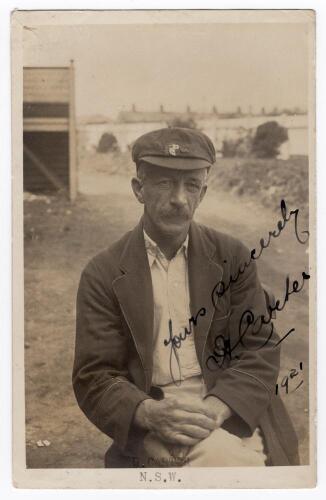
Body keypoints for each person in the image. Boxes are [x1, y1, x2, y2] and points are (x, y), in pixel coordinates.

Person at [72, 127, 299, 467]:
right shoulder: (102, 273)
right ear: (139, 189)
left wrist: (214, 410)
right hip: (151, 411)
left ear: (203, 193)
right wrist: (148, 413)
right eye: (164, 183)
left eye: (190, 185)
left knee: (223, 460)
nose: (179, 198)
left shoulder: (232, 257)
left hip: (225, 406)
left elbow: (260, 348)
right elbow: (95, 375)